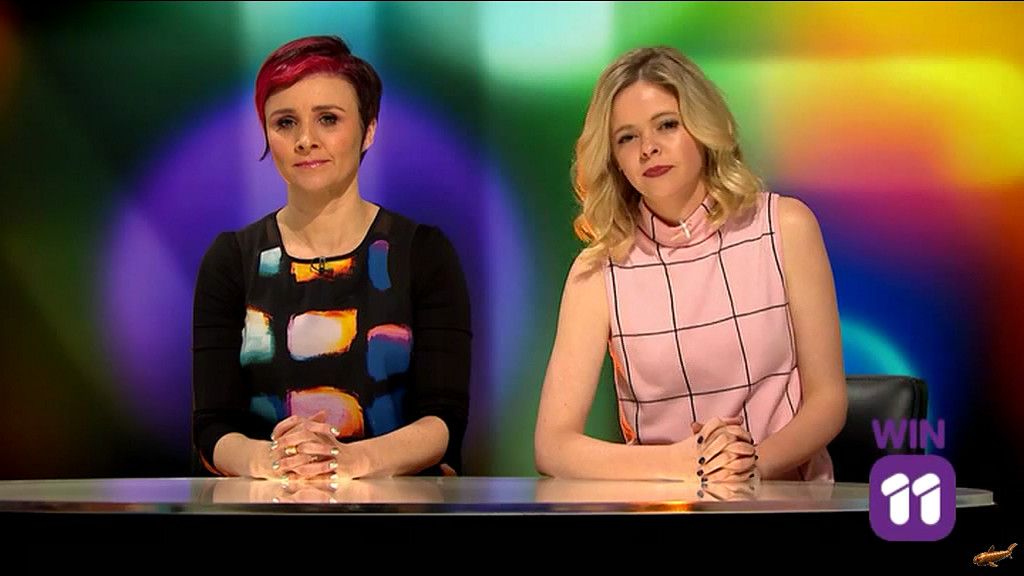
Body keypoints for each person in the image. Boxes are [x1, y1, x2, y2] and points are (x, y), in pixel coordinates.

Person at [535, 46, 846, 483]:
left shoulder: (785, 227)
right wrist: (684, 464)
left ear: (703, 129)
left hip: (787, 496)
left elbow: (828, 401)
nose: (649, 148)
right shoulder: (598, 272)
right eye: (627, 138)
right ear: (614, 159)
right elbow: (553, 446)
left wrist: (752, 464)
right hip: (661, 502)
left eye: (667, 124)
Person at [192, 35, 471, 481]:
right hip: (269, 501)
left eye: (328, 119)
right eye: (285, 123)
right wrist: (273, 461)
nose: (306, 140)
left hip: (396, 504)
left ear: (369, 129)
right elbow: (212, 427)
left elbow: (443, 421)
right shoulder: (231, 260)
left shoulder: (422, 253)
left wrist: (353, 461)